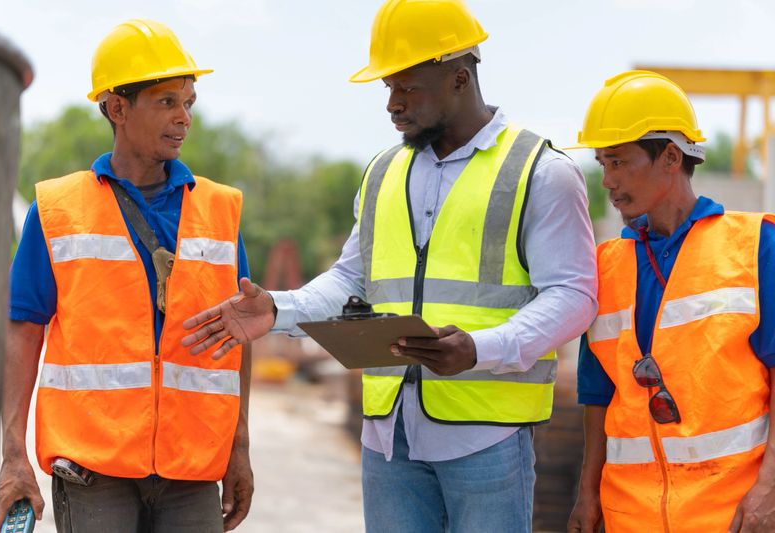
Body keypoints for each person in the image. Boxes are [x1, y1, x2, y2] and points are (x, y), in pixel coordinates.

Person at [182, 0, 596, 531]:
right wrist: (280, 310)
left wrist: (479, 348)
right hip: (389, 439)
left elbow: (574, 294)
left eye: (408, 87)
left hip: (487, 437)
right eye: (388, 89)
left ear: (459, 78)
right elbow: (353, 278)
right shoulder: (383, 172)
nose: (393, 105)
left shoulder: (541, 172)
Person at [0, 19, 253, 533]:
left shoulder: (220, 210)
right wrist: (13, 455)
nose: (184, 119)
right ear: (116, 107)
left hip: (192, 471)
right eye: (166, 102)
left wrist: (240, 448)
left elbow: (238, 335)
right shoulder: (56, 210)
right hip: (94, 472)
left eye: (189, 103)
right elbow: (23, 331)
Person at [566, 70, 775, 533]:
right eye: (602, 164)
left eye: (618, 162)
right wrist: (587, 495)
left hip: (731, 514)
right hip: (629, 517)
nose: (607, 180)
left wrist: (769, 489)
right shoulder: (606, 266)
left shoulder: (755, 246)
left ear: (670, 157)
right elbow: (597, 394)